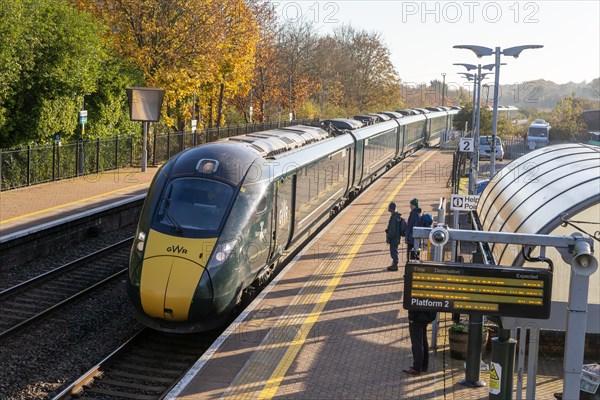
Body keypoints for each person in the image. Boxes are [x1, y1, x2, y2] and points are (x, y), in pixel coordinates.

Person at [403, 309, 436, 375]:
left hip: (417, 317)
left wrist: (411, 317)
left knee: (417, 343)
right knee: (423, 340)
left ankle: (417, 368)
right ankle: (424, 366)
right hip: (428, 315)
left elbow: (413, 303)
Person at [385, 202, 402, 271]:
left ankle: (395, 265)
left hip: (394, 238)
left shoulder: (394, 218)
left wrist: (389, 236)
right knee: (395, 250)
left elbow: (392, 230)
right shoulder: (397, 216)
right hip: (397, 237)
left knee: (393, 251)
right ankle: (394, 263)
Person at [405, 198, 422, 263]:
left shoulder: (413, 214)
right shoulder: (420, 213)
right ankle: (417, 265)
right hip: (418, 236)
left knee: (410, 255)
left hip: (412, 238)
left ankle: (411, 266)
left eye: (411, 205)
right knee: (416, 253)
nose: (410, 206)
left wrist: (408, 237)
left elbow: (410, 226)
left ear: (413, 206)